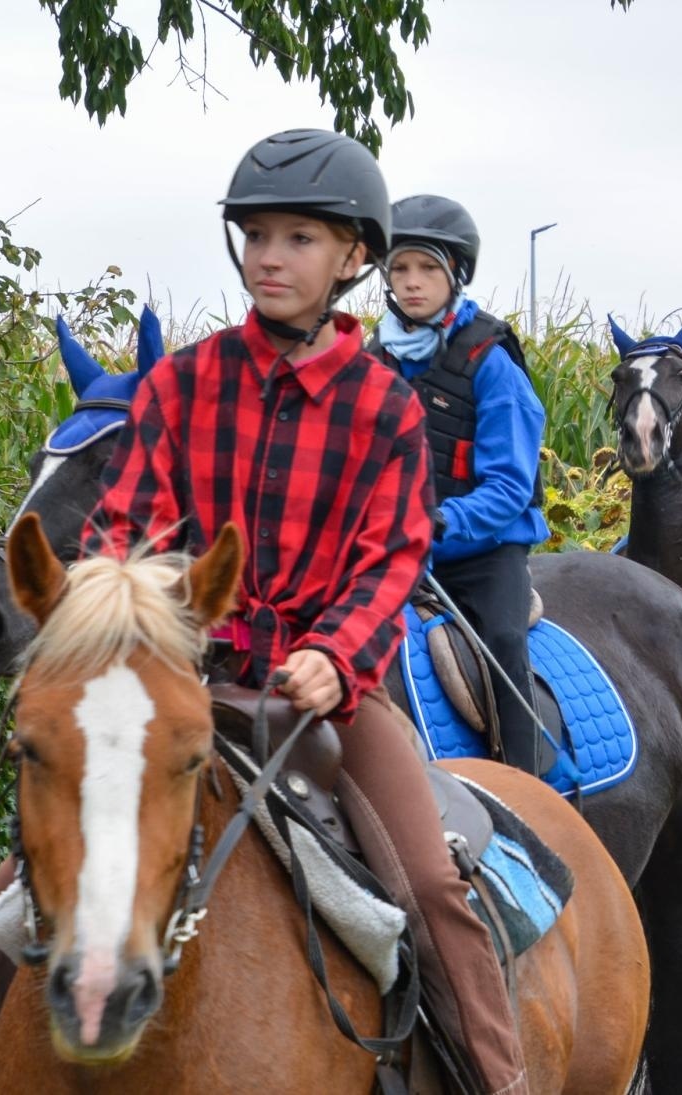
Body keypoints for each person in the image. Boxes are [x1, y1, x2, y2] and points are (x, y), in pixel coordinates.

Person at [82, 130, 525, 1093]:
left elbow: (392, 557)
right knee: (24, 881)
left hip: (329, 699)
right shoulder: (180, 384)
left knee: (432, 888)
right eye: (256, 236)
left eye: (298, 239)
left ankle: (499, 1080)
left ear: (353, 257)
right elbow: (123, 531)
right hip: (187, 683)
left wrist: (335, 654)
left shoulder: (384, 408)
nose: (269, 258)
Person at [366, 194, 549, 776]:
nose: (412, 283)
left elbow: (510, 486)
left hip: (481, 553)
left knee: (502, 644)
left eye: (427, 269)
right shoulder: (372, 363)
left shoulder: (492, 363)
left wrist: (443, 521)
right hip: (392, 551)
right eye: (399, 269)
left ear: (455, 275)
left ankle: (532, 785)